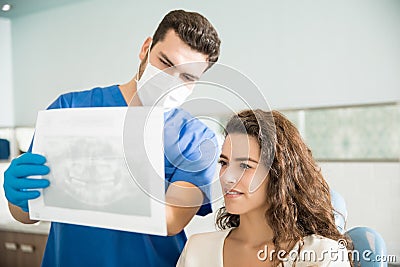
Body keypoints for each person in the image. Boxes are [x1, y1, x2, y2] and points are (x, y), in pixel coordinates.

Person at [3, 10, 221, 266]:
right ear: (146, 48)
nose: (170, 82)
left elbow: (171, 220)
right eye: (165, 63)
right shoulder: (69, 109)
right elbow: (26, 214)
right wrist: (18, 197)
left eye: (187, 77)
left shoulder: (196, 139)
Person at [177, 110, 352, 267]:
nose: (227, 177)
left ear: (279, 174)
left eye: (245, 166)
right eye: (224, 163)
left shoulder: (322, 255)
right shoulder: (197, 250)